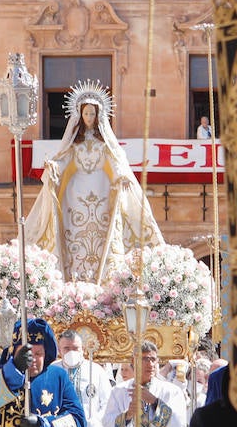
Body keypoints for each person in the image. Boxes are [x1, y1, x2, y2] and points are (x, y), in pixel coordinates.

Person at [26, 82, 164, 283]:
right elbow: (63, 159)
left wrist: (121, 176)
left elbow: (116, 160)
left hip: (101, 187)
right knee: (76, 231)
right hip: (77, 190)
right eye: (86, 113)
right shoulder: (74, 141)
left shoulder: (104, 141)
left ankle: (103, 275)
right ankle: (76, 275)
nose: (89, 117)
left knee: (101, 229)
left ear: (99, 115)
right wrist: (53, 167)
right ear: (80, 115)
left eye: (92, 114)